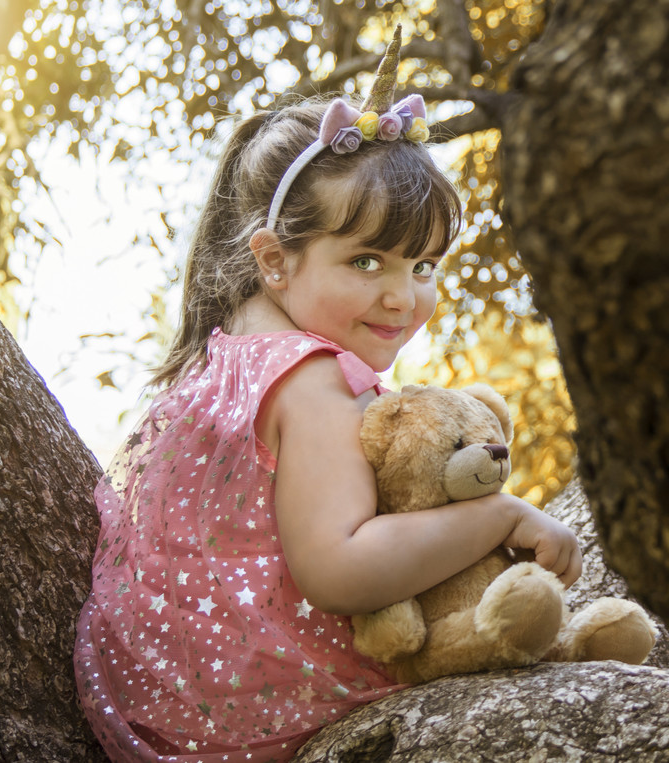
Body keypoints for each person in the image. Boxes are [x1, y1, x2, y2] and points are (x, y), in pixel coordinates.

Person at [73, 29, 581, 763]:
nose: (403, 296)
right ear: (274, 259)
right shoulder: (312, 381)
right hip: (243, 715)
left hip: (153, 694)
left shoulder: (231, 350)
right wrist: (498, 512)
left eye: (426, 264)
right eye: (367, 260)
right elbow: (340, 568)